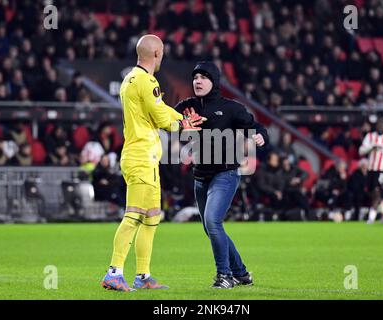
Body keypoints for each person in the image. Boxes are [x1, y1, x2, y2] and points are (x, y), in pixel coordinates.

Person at [101, 35, 205, 292]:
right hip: (140, 157)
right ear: (157, 53)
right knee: (133, 215)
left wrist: (182, 117)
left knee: (151, 217)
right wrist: (183, 124)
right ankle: (113, 272)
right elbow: (160, 117)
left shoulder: (131, 79)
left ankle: (143, 275)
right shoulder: (148, 81)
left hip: (144, 156)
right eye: (163, 53)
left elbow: (159, 109)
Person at [175, 61, 269, 288]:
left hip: (225, 173)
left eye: (204, 77)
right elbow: (164, 120)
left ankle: (224, 275)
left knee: (212, 222)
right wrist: (179, 127)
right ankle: (242, 273)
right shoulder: (186, 106)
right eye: (195, 77)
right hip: (200, 176)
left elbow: (256, 127)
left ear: (214, 82)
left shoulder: (231, 108)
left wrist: (260, 136)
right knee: (211, 227)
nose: (198, 81)